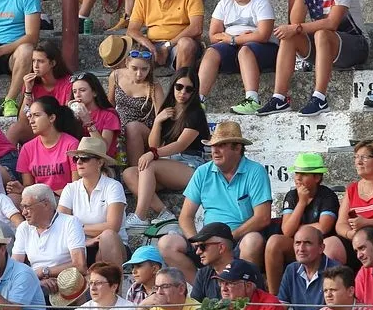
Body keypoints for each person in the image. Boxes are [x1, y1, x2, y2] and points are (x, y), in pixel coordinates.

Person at [259, 0, 368, 116]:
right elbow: (296, 22)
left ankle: (320, 98)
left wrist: (296, 27)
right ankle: (279, 98)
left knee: (321, 33)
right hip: (324, 46)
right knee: (290, 37)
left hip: (356, 44)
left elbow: (331, 23)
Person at [158, 122, 272, 281]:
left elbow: (263, 217)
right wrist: (196, 241)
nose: (214, 150)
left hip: (239, 239)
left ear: (237, 148)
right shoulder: (202, 172)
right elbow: (185, 217)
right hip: (207, 240)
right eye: (212, 146)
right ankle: (203, 287)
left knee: (253, 241)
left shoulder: (255, 171)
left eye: (221, 145)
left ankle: (241, 290)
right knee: (167, 243)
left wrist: (228, 237)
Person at [122, 67, 208, 228]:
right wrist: (157, 121)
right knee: (129, 173)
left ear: (194, 91)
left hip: (191, 165)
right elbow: (153, 144)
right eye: (179, 87)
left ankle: (140, 216)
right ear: (173, 86)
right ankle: (164, 214)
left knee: (149, 164)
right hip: (169, 163)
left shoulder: (195, 113)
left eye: (189, 89)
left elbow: (180, 145)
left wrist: (153, 154)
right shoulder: (168, 110)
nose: (183, 92)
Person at [197, 0, 278, 114]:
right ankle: (198, 100)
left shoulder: (261, 2)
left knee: (245, 50)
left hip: (262, 50)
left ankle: (252, 100)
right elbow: (213, 35)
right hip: (233, 48)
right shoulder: (224, 3)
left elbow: (263, 35)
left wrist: (233, 39)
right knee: (211, 52)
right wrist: (238, 38)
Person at [264, 152, 344, 294]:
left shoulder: (327, 196)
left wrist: (297, 228)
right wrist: (301, 202)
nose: (298, 178)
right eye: (297, 173)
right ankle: (274, 296)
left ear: (317, 178)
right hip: (296, 243)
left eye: (304, 174)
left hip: (320, 244)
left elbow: (323, 227)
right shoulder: (292, 195)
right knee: (274, 242)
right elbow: (287, 230)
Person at [58, 137, 127, 265]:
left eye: (85, 158)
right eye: (76, 158)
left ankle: (114, 278)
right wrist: (84, 240)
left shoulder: (113, 186)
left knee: (107, 236)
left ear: (100, 162)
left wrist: (78, 228)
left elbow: (112, 226)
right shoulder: (70, 188)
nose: (79, 162)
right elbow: (60, 225)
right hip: (81, 245)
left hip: (112, 245)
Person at [102, 35, 164, 167]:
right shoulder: (116, 76)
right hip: (120, 126)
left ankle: (135, 169)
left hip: (145, 130)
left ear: (150, 68)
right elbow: (110, 104)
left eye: (144, 69)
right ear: (126, 63)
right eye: (134, 68)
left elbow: (161, 116)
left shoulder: (154, 86)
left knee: (132, 127)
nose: (139, 74)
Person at [13, 183, 87, 292]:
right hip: (35, 284)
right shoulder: (24, 228)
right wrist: (37, 281)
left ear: (46, 204)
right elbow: (14, 269)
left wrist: (44, 271)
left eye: (27, 207)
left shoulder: (70, 222)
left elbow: (80, 265)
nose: (23, 212)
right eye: (22, 207)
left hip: (67, 285)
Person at [11, 96, 82, 201]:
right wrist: (22, 189)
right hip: (38, 201)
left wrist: (49, 195)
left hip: (66, 199)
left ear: (52, 118)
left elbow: (77, 186)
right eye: (30, 116)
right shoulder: (27, 148)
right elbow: (29, 186)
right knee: (12, 198)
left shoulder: (71, 144)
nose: (31, 121)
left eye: (36, 115)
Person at [276, 226, 340, 310]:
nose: (301, 249)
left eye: (307, 243)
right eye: (297, 243)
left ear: (321, 248)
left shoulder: (336, 271)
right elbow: (280, 309)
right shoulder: (291, 269)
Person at [7, 40, 74, 145]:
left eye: (41, 61)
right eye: (33, 61)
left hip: (59, 130)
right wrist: (28, 91)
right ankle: (7, 156)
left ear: (53, 63)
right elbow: (23, 120)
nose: (35, 66)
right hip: (37, 130)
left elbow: (67, 118)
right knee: (15, 128)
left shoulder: (68, 83)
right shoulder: (31, 83)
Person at [68, 72, 122, 159]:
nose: (77, 95)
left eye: (82, 90)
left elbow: (104, 149)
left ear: (94, 92)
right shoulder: (74, 114)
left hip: (103, 162)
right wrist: (67, 114)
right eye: (74, 91)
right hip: (78, 160)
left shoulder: (109, 115)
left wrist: (88, 122)